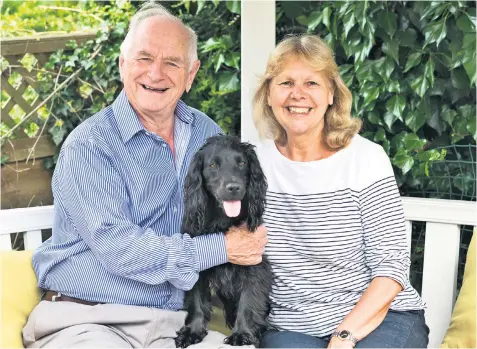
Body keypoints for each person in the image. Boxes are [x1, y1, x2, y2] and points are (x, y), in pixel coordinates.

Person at [22, 3, 267, 348]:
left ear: (191, 73)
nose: (156, 73)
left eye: (172, 62)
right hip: (88, 318)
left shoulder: (207, 135)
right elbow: (119, 247)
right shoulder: (90, 146)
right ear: (123, 64)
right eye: (144, 58)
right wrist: (221, 248)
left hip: (175, 325)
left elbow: (235, 220)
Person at [252, 34, 429, 348]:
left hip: (379, 318)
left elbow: (391, 267)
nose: (298, 94)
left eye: (312, 83)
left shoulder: (365, 159)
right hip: (293, 324)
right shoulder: (253, 165)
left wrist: (344, 336)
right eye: (286, 83)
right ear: (268, 94)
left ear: (331, 93)